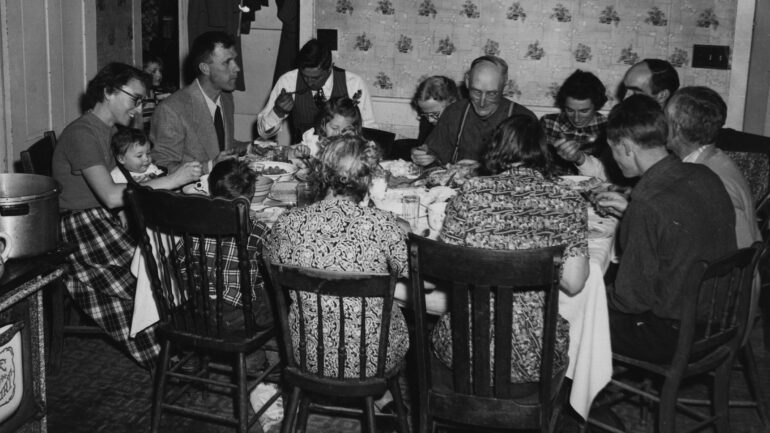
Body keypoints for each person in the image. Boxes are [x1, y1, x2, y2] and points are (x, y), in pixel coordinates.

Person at [52, 62, 202, 367]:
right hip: (78, 226)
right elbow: (108, 195)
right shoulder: (82, 134)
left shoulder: (106, 131)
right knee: (147, 280)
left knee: (160, 267)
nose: (137, 110)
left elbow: (121, 186)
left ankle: (177, 347)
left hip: (98, 219)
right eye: (135, 99)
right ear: (108, 92)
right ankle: (166, 356)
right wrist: (172, 180)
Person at [430, 115, 589, 383]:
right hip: (538, 355)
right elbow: (573, 283)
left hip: (464, 350)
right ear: (542, 151)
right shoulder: (568, 199)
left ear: (495, 147)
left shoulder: (471, 193)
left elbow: (443, 270)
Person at [597, 94, 736, 364]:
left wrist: (588, 297)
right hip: (719, 320)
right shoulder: (703, 174)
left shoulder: (647, 203)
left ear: (626, 147)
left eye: (613, 150)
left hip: (674, 335)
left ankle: (579, 404)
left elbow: (631, 301)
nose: (614, 159)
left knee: (565, 317)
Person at [265, 134, 409, 379]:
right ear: (368, 178)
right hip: (373, 360)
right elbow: (419, 281)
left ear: (320, 173)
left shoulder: (288, 222)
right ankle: (380, 399)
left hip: (307, 355)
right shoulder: (384, 224)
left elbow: (272, 263)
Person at [175, 159, 273, 331]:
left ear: (211, 191)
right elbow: (270, 273)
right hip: (241, 314)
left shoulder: (193, 225)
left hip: (199, 309)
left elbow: (178, 262)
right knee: (278, 296)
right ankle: (255, 357)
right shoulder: (258, 229)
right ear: (251, 195)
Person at [666, 86, 761, 249]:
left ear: (676, 129)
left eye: (664, 119)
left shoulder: (711, 181)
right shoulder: (713, 158)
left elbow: (737, 251)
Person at [151, 31, 248, 175]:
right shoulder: (171, 110)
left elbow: (218, 145)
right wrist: (209, 166)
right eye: (227, 62)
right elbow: (161, 166)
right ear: (205, 68)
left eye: (235, 60)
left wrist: (251, 146)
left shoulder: (226, 98)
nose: (237, 68)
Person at [411, 55, 536, 166]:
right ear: (467, 81)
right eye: (476, 92)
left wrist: (482, 169)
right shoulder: (453, 112)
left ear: (505, 87)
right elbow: (433, 154)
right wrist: (422, 156)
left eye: (491, 94)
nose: (482, 102)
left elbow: (534, 172)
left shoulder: (524, 119)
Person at [257, 39, 376, 146]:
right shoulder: (288, 81)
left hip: (342, 157)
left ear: (330, 68)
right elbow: (263, 134)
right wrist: (277, 112)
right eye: (305, 76)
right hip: (302, 157)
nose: (309, 82)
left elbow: (368, 130)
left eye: (315, 78)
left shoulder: (353, 83)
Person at [294, 96, 362, 157]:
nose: (339, 134)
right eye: (334, 128)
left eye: (345, 130)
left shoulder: (355, 151)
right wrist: (301, 151)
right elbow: (291, 150)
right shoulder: (315, 143)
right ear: (323, 125)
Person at [411, 76, 460, 143]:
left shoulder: (466, 126)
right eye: (425, 114)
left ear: (452, 104)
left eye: (435, 114)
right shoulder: (426, 121)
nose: (431, 120)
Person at [139, 54, 165, 132]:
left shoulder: (157, 92)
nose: (159, 75)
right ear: (143, 72)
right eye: (153, 71)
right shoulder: (141, 94)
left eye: (160, 71)